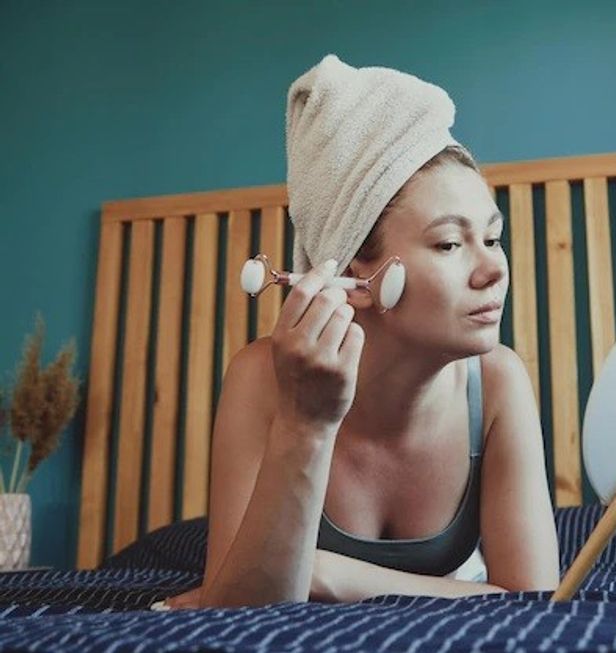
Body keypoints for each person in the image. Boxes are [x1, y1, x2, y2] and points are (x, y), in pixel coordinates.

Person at [161, 55, 559, 609]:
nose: (493, 268)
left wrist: (326, 574)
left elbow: (534, 600)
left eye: (492, 239)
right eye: (449, 244)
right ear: (356, 276)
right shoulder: (262, 379)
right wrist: (305, 421)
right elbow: (235, 611)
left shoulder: (497, 383)